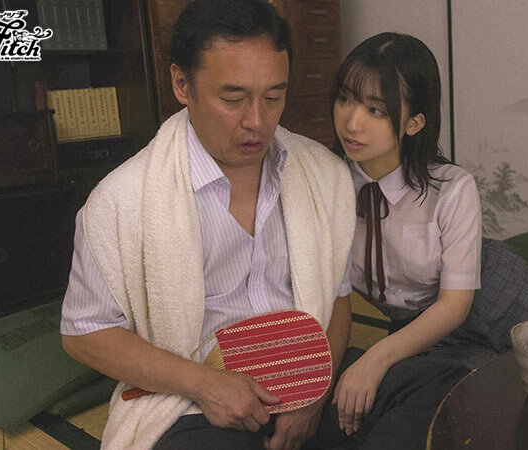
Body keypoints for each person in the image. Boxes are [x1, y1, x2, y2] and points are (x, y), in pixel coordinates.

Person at [58, 1, 357, 449]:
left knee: (409, 389)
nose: (257, 121)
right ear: (182, 84)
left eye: (274, 97)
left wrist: (316, 389)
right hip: (195, 399)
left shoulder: (322, 175)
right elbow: (84, 333)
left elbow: (337, 298)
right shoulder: (121, 200)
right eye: (233, 99)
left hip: (312, 371)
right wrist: (204, 384)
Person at [328, 32, 482, 442]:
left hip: (483, 304)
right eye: (345, 99)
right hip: (410, 334)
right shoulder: (327, 184)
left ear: (414, 122)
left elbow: (454, 306)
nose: (352, 122)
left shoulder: (452, 188)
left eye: (375, 110)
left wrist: (373, 360)